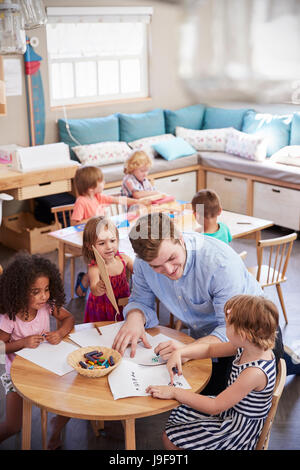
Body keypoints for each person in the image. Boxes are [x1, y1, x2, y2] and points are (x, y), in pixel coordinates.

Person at [112, 212, 285, 393]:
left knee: (213, 397)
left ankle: (287, 359)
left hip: (251, 338)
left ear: (180, 238)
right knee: (191, 389)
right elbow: (140, 300)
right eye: (157, 266)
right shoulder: (142, 263)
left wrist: (187, 350)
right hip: (205, 338)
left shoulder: (220, 263)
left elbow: (228, 332)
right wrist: (135, 318)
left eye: (171, 258)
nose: (169, 270)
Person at [146, 294, 278, 450]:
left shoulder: (254, 372)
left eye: (227, 325)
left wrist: (175, 392)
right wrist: (181, 352)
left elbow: (215, 406)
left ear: (243, 335)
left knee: (169, 438)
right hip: (229, 411)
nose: (224, 327)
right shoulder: (248, 346)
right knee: (181, 411)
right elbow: (210, 348)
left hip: (236, 431)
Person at [0, 253, 74, 444]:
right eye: (36, 292)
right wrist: (22, 343)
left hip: (46, 367)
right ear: (19, 291)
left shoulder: (47, 305)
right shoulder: (10, 316)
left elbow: (68, 318)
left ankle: (55, 432)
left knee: (71, 401)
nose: (44, 296)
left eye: (47, 289)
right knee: (12, 425)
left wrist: (60, 333)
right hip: (17, 374)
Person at [71, 165, 147, 297]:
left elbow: (118, 200)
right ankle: (86, 279)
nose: (104, 183)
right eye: (101, 181)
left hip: (102, 239)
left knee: (117, 247)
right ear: (91, 187)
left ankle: (118, 281)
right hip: (90, 240)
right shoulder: (81, 202)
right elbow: (74, 222)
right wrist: (93, 219)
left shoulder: (98, 197)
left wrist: (137, 201)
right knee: (100, 261)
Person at [82, 215, 133, 322]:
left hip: (123, 304)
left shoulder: (124, 259)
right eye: (102, 243)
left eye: (113, 241)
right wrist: (98, 288)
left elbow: (140, 272)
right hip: (103, 309)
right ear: (89, 246)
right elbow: (94, 289)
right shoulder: (95, 269)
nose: (109, 247)